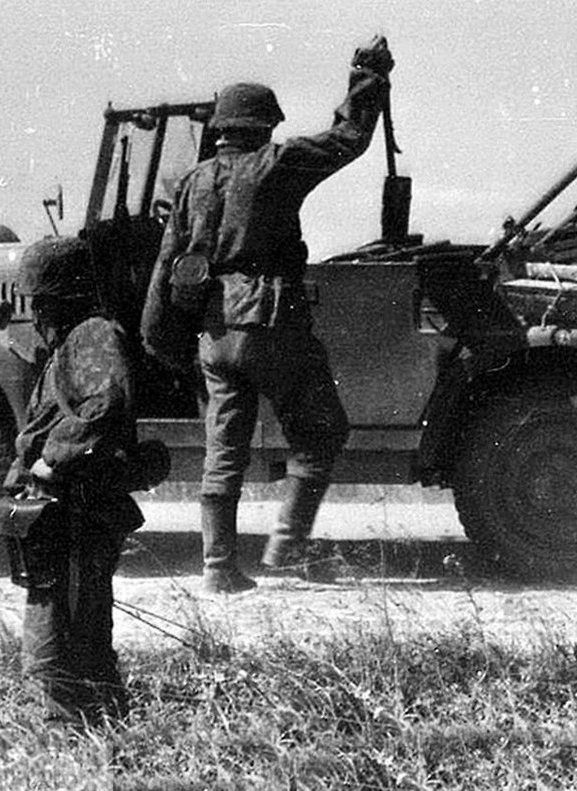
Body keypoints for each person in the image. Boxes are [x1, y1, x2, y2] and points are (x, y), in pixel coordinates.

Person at [148, 37, 396, 593]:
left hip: (213, 335)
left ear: (219, 130)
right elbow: (348, 138)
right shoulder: (277, 164)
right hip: (272, 324)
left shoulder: (191, 183)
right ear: (265, 126)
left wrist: (166, 347)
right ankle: (286, 549)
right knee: (323, 429)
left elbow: (166, 271)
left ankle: (217, 569)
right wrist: (368, 77)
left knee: (223, 451)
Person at [4, 236, 147, 725]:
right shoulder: (76, 338)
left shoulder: (93, 336)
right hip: (62, 512)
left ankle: (68, 732)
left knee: (61, 631)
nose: (34, 312)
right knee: (76, 623)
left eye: (37, 301)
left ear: (55, 298)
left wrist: (52, 461)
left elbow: (104, 405)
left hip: (77, 508)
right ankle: (102, 720)